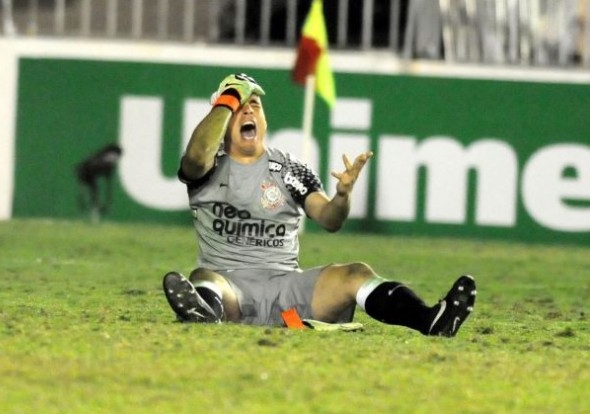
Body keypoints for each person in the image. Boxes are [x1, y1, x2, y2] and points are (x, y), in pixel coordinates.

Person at [162, 73, 476, 337]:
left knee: (355, 273)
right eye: (237, 109)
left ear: (264, 119)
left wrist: (342, 196)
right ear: (222, 120)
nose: (247, 112)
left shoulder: (289, 169)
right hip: (230, 284)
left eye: (254, 106)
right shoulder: (206, 166)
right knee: (204, 276)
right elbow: (194, 156)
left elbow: (329, 219)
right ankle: (205, 313)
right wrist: (229, 98)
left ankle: (431, 321)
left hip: (287, 288)